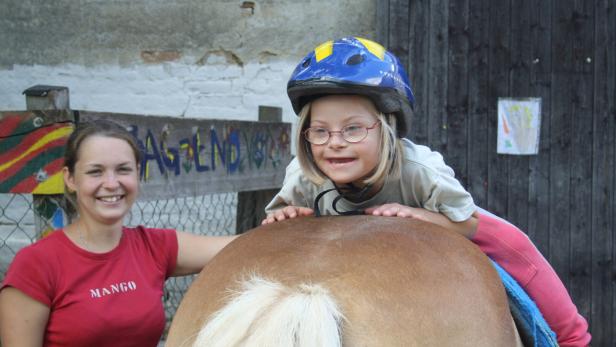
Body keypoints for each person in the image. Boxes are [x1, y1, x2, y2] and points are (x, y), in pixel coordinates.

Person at [262, 36, 591, 347]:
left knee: (516, 244)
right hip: (343, 240)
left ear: (388, 127)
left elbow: (467, 222)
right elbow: (282, 220)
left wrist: (421, 216)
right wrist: (286, 216)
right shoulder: (303, 174)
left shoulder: (422, 170)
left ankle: (571, 334)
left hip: (439, 215)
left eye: (353, 128)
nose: (334, 141)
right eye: (319, 131)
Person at [0, 119, 237, 347]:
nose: (112, 183)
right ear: (70, 179)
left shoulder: (154, 246)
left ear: (137, 174)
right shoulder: (36, 264)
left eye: (123, 170)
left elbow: (241, 247)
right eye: (95, 172)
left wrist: (274, 219)